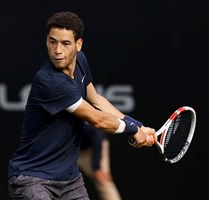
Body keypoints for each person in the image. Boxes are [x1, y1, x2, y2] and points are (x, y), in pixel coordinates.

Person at [8, 11, 156, 200]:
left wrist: (138, 125)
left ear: (78, 45)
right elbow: (98, 119)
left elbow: (96, 100)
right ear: (46, 41)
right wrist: (133, 129)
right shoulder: (50, 81)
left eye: (66, 43)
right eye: (53, 42)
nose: (58, 50)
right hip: (32, 179)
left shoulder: (81, 61)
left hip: (70, 181)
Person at [78, 123, 122, 200]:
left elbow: (97, 136)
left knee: (102, 180)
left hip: (93, 148)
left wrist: (97, 167)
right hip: (70, 150)